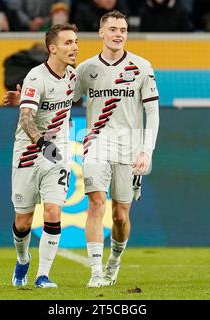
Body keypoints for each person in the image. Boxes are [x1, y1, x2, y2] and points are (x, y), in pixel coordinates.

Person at [73, 10, 160, 287]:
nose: (118, 34)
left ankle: (115, 261)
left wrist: (147, 151)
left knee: (120, 215)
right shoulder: (86, 69)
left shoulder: (142, 67)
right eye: (112, 29)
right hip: (96, 144)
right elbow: (66, 101)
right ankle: (96, 272)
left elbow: (153, 112)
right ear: (101, 32)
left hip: (129, 148)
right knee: (96, 203)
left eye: (122, 29)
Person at [3, 23, 79, 288]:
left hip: (56, 154)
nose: (75, 47)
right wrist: (42, 142)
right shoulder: (36, 76)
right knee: (22, 221)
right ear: (53, 48)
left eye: (76, 42)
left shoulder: (73, 77)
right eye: (68, 43)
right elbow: (26, 119)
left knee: (52, 210)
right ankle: (23, 260)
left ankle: (43, 275)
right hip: (28, 153)